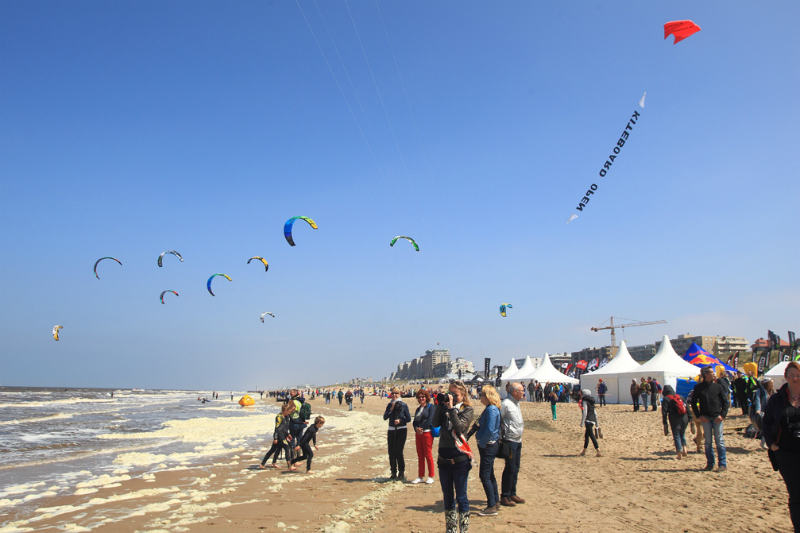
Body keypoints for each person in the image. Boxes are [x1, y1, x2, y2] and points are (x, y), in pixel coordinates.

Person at [762, 361, 800, 532]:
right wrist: (771, 444)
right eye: (791, 375)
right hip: (785, 453)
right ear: (785, 377)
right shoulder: (777, 399)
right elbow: (766, 422)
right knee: (795, 493)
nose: (795, 378)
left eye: (798, 375)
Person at [433, 380, 474, 533]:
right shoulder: (445, 408)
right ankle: (450, 530)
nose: (452, 397)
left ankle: (463, 530)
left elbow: (460, 428)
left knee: (461, 496)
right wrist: (440, 404)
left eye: (455, 394)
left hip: (459, 458)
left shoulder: (467, 410)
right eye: (450, 393)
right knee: (448, 497)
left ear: (463, 395)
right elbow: (435, 423)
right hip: (444, 457)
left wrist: (451, 409)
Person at [691, 366, 729, 472]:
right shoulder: (698, 388)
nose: (714, 374)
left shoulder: (718, 387)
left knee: (719, 441)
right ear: (706, 374)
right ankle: (710, 464)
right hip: (705, 418)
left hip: (717, 417)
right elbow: (693, 403)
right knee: (708, 442)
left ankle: (722, 464)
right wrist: (699, 416)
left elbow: (725, 402)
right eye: (711, 372)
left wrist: (722, 415)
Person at [475, 384, 502, 516]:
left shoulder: (491, 409)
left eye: (481, 395)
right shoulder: (492, 408)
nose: (480, 397)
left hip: (489, 445)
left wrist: (482, 442)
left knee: (484, 475)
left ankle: (491, 505)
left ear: (487, 396)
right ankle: (495, 501)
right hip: (490, 444)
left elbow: (490, 429)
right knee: (490, 474)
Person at [500, 382, 524, 507]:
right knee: (509, 468)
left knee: (516, 468)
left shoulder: (516, 403)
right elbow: (499, 420)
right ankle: (505, 495)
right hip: (510, 441)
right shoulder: (506, 404)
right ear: (514, 392)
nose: (523, 393)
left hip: (518, 440)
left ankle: (512, 493)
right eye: (521, 391)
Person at [384, 387, 411, 481]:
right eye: (393, 393)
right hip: (391, 429)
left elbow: (408, 419)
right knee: (391, 452)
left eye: (396, 393)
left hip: (402, 430)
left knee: (398, 451)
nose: (395, 395)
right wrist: (391, 409)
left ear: (399, 394)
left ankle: (401, 471)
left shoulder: (404, 405)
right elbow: (385, 417)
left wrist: (400, 421)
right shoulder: (389, 405)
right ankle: (393, 472)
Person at [259, 402, 295, 470]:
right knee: (287, 448)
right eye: (289, 411)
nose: (289, 413)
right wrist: (275, 438)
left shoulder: (285, 416)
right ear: (285, 410)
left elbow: (284, 428)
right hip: (279, 435)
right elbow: (277, 428)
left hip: (283, 435)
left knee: (273, 450)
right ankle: (290, 466)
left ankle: (263, 464)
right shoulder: (279, 417)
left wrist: (288, 434)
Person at [411, 389, 435, 485]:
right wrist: (416, 428)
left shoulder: (431, 407)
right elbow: (414, 421)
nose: (421, 399)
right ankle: (420, 476)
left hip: (427, 433)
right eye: (420, 397)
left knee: (428, 454)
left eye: (423, 397)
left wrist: (421, 428)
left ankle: (431, 476)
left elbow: (430, 420)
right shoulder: (418, 409)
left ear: (426, 398)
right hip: (419, 434)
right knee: (420, 455)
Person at [661, 385, 691, 459]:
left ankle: (679, 453)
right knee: (682, 433)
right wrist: (690, 418)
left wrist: (665, 422)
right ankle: (685, 449)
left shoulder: (666, 398)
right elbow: (687, 407)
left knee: (676, 435)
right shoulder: (680, 397)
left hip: (674, 418)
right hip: (684, 417)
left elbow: (664, 411)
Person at [752, 378, 775, 450]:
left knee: (771, 427)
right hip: (763, 411)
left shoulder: (771, 391)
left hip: (771, 411)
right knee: (766, 427)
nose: (772, 384)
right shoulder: (760, 391)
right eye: (770, 383)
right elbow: (757, 400)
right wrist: (758, 410)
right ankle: (763, 442)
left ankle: (765, 442)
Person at [579, 389, 601, 457]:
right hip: (592, 420)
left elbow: (585, 412)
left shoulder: (584, 401)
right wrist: (597, 423)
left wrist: (582, 422)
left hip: (588, 420)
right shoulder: (592, 401)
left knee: (591, 436)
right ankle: (584, 451)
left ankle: (598, 451)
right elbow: (595, 412)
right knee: (586, 436)